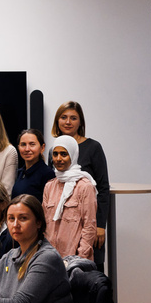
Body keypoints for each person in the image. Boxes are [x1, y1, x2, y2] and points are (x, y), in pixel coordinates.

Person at [51, 101, 109, 269]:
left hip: (87, 223)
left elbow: (104, 188)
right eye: (64, 117)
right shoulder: (55, 149)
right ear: (57, 121)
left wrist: (100, 225)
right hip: (62, 228)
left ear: (80, 122)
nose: (68, 122)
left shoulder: (93, 147)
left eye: (73, 118)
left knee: (89, 269)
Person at [43, 135, 97, 260]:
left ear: (72, 156)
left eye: (63, 154)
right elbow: (45, 225)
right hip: (51, 258)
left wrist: (79, 258)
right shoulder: (49, 186)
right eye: (55, 154)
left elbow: (89, 226)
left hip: (75, 259)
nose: (58, 159)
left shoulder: (84, 186)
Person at [13, 129, 55, 202]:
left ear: (42, 148)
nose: (27, 149)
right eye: (23, 144)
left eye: (32, 144)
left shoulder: (48, 174)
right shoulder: (19, 173)